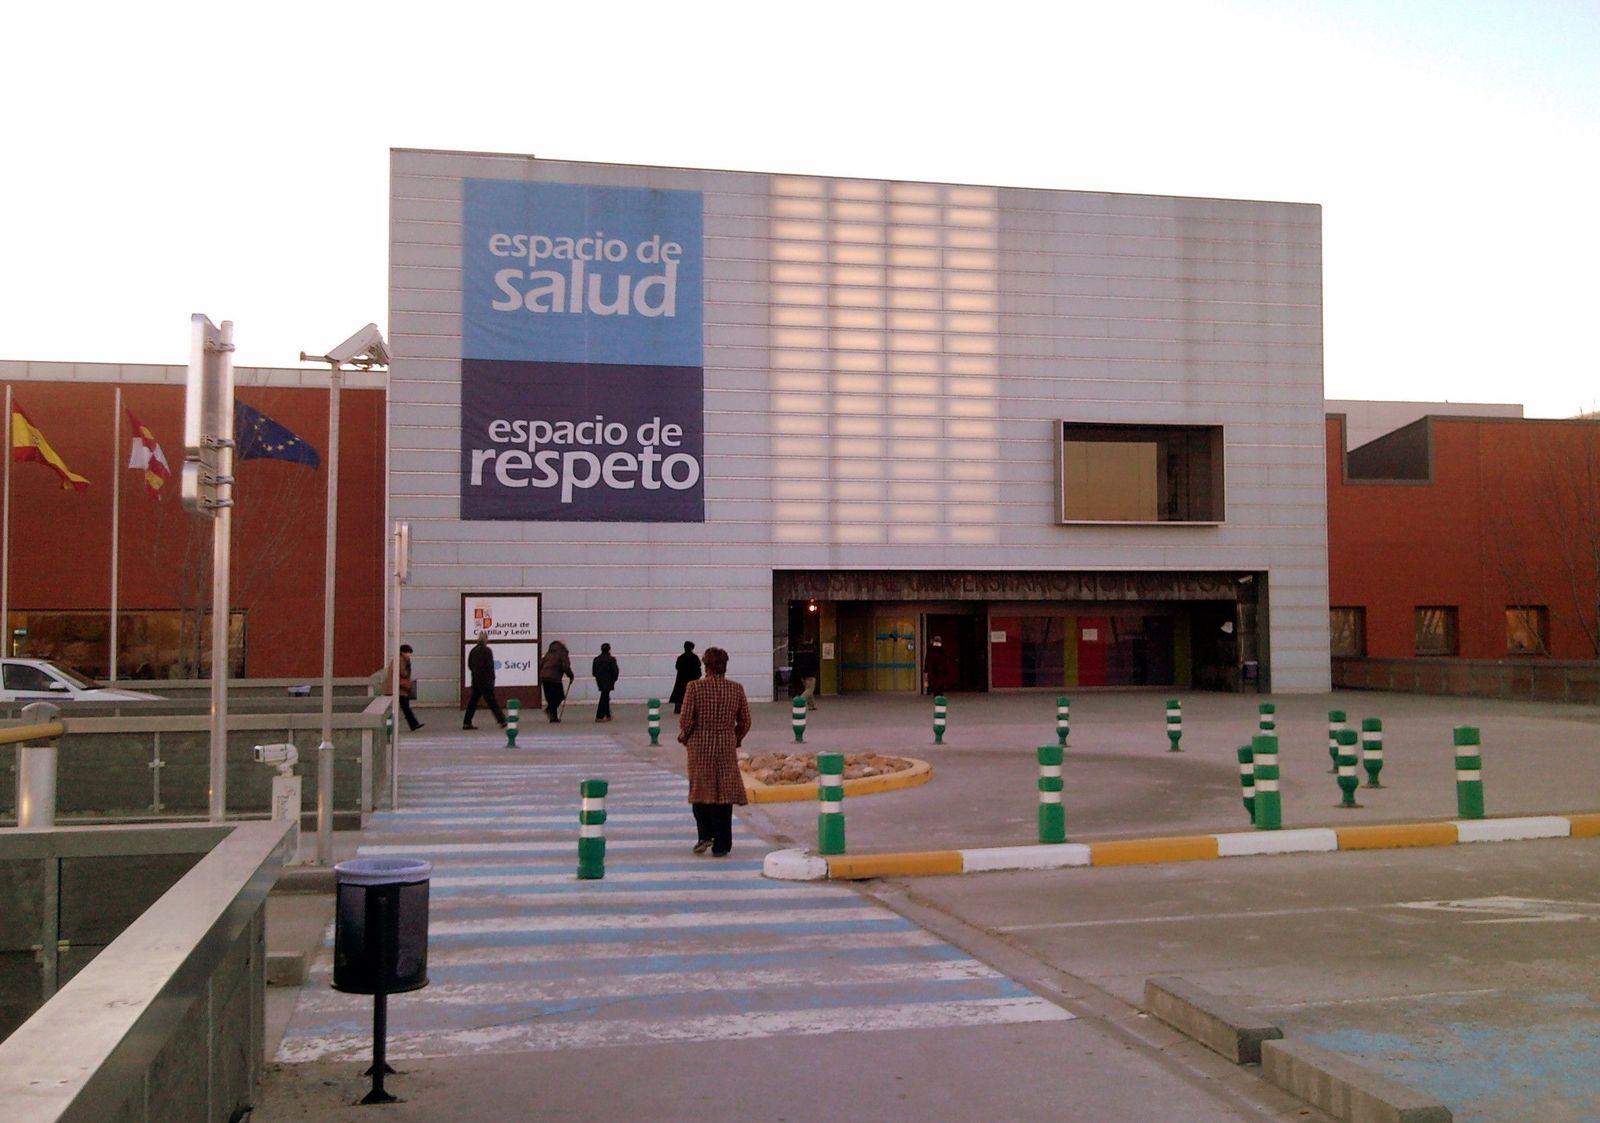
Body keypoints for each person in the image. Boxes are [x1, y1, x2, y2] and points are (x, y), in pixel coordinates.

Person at [676, 646, 750, 856]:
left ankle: (705, 835)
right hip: (726, 745)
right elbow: (745, 720)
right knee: (723, 795)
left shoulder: (694, 687)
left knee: (700, 791)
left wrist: (685, 737)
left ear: (705, 666)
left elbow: (686, 719)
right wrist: (735, 738)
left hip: (699, 746)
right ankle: (722, 845)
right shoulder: (736, 689)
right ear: (725, 666)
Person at [464, 631, 506, 730]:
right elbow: (490, 666)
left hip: (476, 680)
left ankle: (466, 722)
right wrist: (492, 679)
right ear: (486, 639)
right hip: (486, 681)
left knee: (473, 702)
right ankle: (502, 720)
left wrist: (475, 673)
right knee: (492, 702)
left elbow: (470, 665)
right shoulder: (487, 651)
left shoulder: (473, 650)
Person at [386, 643, 422, 731]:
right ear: (404, 652)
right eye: (409, 653)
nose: (409, 655)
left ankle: (414, 724)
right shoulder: (401, 660)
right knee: (405, 707)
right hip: (398, 687)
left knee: (405, 707)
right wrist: (408, 665)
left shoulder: (400, 659)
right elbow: (403, 673)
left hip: (398, 687)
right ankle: (413, 724)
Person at [538, 640, 575, 723]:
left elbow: (541, 664)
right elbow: (565, 666)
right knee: (560, 696)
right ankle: (549, 709)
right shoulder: (562, 653)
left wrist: (541, 675)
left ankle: (553, 718)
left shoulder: (548, 654)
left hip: (544, 678)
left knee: (550, 698)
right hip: (555, 678)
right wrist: (571, 676)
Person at [669, 640, 701, 714]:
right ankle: (691, 709)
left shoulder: (681, 657)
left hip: (681, 679)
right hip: (692, 678)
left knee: (679, 694)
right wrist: (697, 676)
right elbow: (698, 668)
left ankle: (678, 708)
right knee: (691, 694)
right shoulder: (694, 657)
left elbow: (677, 666)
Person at [591, 643, 619, 722]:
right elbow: (615, 671)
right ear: (609, 649)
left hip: (600, 681)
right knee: (604, 697)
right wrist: (613, 680)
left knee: (605, 696)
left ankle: (607, 715)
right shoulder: (611, 659)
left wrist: (598, 677)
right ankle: (599, 715)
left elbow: (594, 672)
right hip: (609, 681)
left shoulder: (596, 659)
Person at [791, 639, 819, 710]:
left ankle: (812, 705)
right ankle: (799, 701)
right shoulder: (812, 649)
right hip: (810, 672)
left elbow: (795, 663)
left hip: (801, 673)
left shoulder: (798, 649)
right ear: (811, 640)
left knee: (807, 689)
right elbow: (815, 662)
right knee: (810, 689)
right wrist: (816, 670)